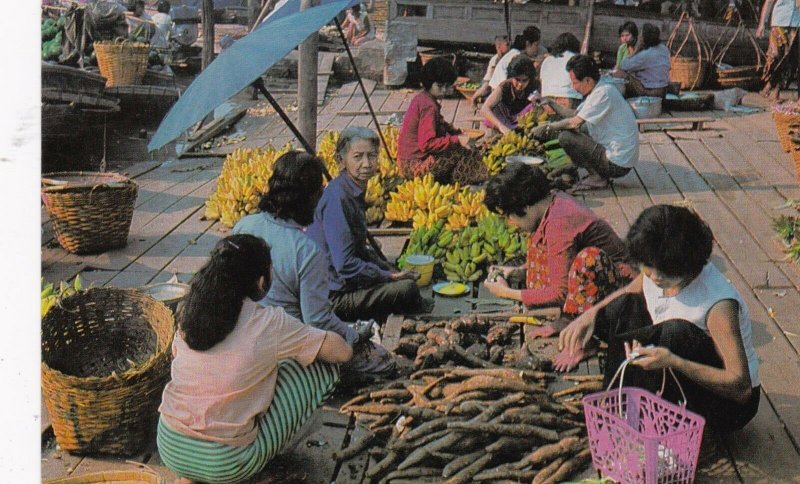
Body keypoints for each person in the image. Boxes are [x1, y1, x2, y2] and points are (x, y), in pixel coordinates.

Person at [157, 234, 353, 484]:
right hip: (226, 463)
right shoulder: (269, 323)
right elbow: (342, 353)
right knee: (319, 366)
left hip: (170, 446)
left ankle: (191, 475)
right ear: (261, 280)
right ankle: (229, 472)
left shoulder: (189, 312)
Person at [555, 205, 760, 432]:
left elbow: (741, 389)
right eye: (648, 268)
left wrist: (674, 362)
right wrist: (589, 315)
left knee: (676, 332)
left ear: (688, 266)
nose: (653, 277)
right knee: (622, 307)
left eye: (662, 272)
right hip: (673, 363)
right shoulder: (656, 270)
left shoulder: (718, 305)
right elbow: (630, 291)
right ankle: (619, 405)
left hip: (725, 405)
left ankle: (655, 417)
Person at [233, 151, 395, 380]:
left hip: (245, 340)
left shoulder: (243, 227)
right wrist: (353, 336)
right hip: (285, 352)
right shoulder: (307, 251)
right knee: (383, 363)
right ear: (309, 198)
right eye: (319, 191)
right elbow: (316, 321)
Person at [309, 127, 434, 322]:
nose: (366, 164)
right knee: (406, 289)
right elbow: (345, 265)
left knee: (395, 272)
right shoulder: (338, 199)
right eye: (358, 157)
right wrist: (389, 277)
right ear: (341, 161)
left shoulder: (351, 191)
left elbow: (359, 250)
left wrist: (387, 269)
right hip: (333, 299)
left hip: (344, 285)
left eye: (372, 156)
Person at [482, 163, 630, 327]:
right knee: (537, 246)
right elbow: (558, 257)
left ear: (525, 206)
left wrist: (508, 293)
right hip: (592, 286)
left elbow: (560, 293)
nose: (511, 222)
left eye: (509, 215)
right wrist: (520, 271)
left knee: (584, 259)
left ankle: (579, 332)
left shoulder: (559, 222)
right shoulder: (554, 202)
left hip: (618, 293)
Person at [533, 55, 639, 191]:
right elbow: (575, 114)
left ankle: (597, 177)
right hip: (618, 156)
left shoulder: (603, 92)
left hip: (617, 163)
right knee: (578, 129)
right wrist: (552, 103)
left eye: (575, 82)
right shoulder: (599, 87)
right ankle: (588, 170)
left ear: (588, 80)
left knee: (566, 137)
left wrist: (549, 127)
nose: (573, 87)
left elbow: (574, 123)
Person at [397, 57, 487, 184]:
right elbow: (427, 143)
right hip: (413, 166)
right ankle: (457, 184)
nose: (444, 90)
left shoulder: (422, 98)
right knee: (464, 150)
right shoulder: (428, 106)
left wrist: (456, 132)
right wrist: (458, 139)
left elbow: (439, 123)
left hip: (406, 162)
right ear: (429, 82)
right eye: (439, 86)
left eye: (447, 86)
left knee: (461, 145)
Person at [481, 54, 538, 134]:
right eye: (517, 80)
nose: (520, 84)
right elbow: (484, 109)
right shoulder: (505, 86)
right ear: (511, 77)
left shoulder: (533, 85)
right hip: (502, 119)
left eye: (524, 80)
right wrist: (501, 126)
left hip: (521, 120)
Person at [757, 0, 800, 101]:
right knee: (777, 58)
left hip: (796, 24)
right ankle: (773, 87)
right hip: (779, 22)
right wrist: (762, 24)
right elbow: (769, 2)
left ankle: (774, 88)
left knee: (794, 60)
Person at [614, 23, 671, 98]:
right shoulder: (664, 48)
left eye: (641, 36)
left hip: (650, 91)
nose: (639, 38)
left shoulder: (646, 54)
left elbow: (623, 66)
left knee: (618, 73)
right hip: (663, 91)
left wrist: (636, 50)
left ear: (645, 39)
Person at [488, 26, 545, 92]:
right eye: (536, 45)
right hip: (501, 90)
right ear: (528, 43)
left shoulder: (516, 52)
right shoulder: (516, 55)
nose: (537, 49)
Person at [540, 32, 583, 110]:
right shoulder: (576, 58)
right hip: (568, 100)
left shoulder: (547, 60)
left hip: (546, 101)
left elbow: (542, 80)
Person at [472, 35, 512, 107]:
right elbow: (491, 77)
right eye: (507, 45)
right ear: (499, 47)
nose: (509, 47)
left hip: (503, 82)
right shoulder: (495, 60)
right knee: (484, 89)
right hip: (490, 81)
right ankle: (474, 100)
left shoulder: (509, 57)